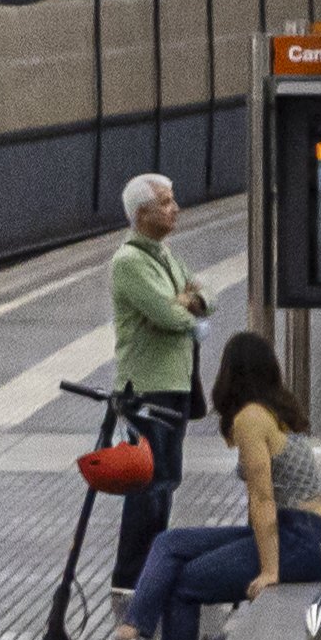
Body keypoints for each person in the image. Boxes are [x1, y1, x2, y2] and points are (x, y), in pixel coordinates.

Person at [101, 332, 321, 640]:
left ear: (229, 373)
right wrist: (243, 554)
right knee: (170, 542)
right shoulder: (274, 411)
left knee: (186, 583)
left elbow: (262, 499)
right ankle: (127, 636)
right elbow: (263, 504)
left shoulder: (250, 418)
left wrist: (269, 570)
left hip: (299, 540)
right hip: (300, 531)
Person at [104, 174, 210, 595]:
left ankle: (149, 570)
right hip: (145, 390)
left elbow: (208, 295)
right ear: (141, 214)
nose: (175, 208)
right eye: (165, 203)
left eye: (173, 199)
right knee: (148, 485)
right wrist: (189, 313)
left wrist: (189, 303)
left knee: (166, 481)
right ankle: (130, 578)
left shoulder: (165, 255)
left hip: (175, 385)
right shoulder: (129, 262)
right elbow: (167, 317)